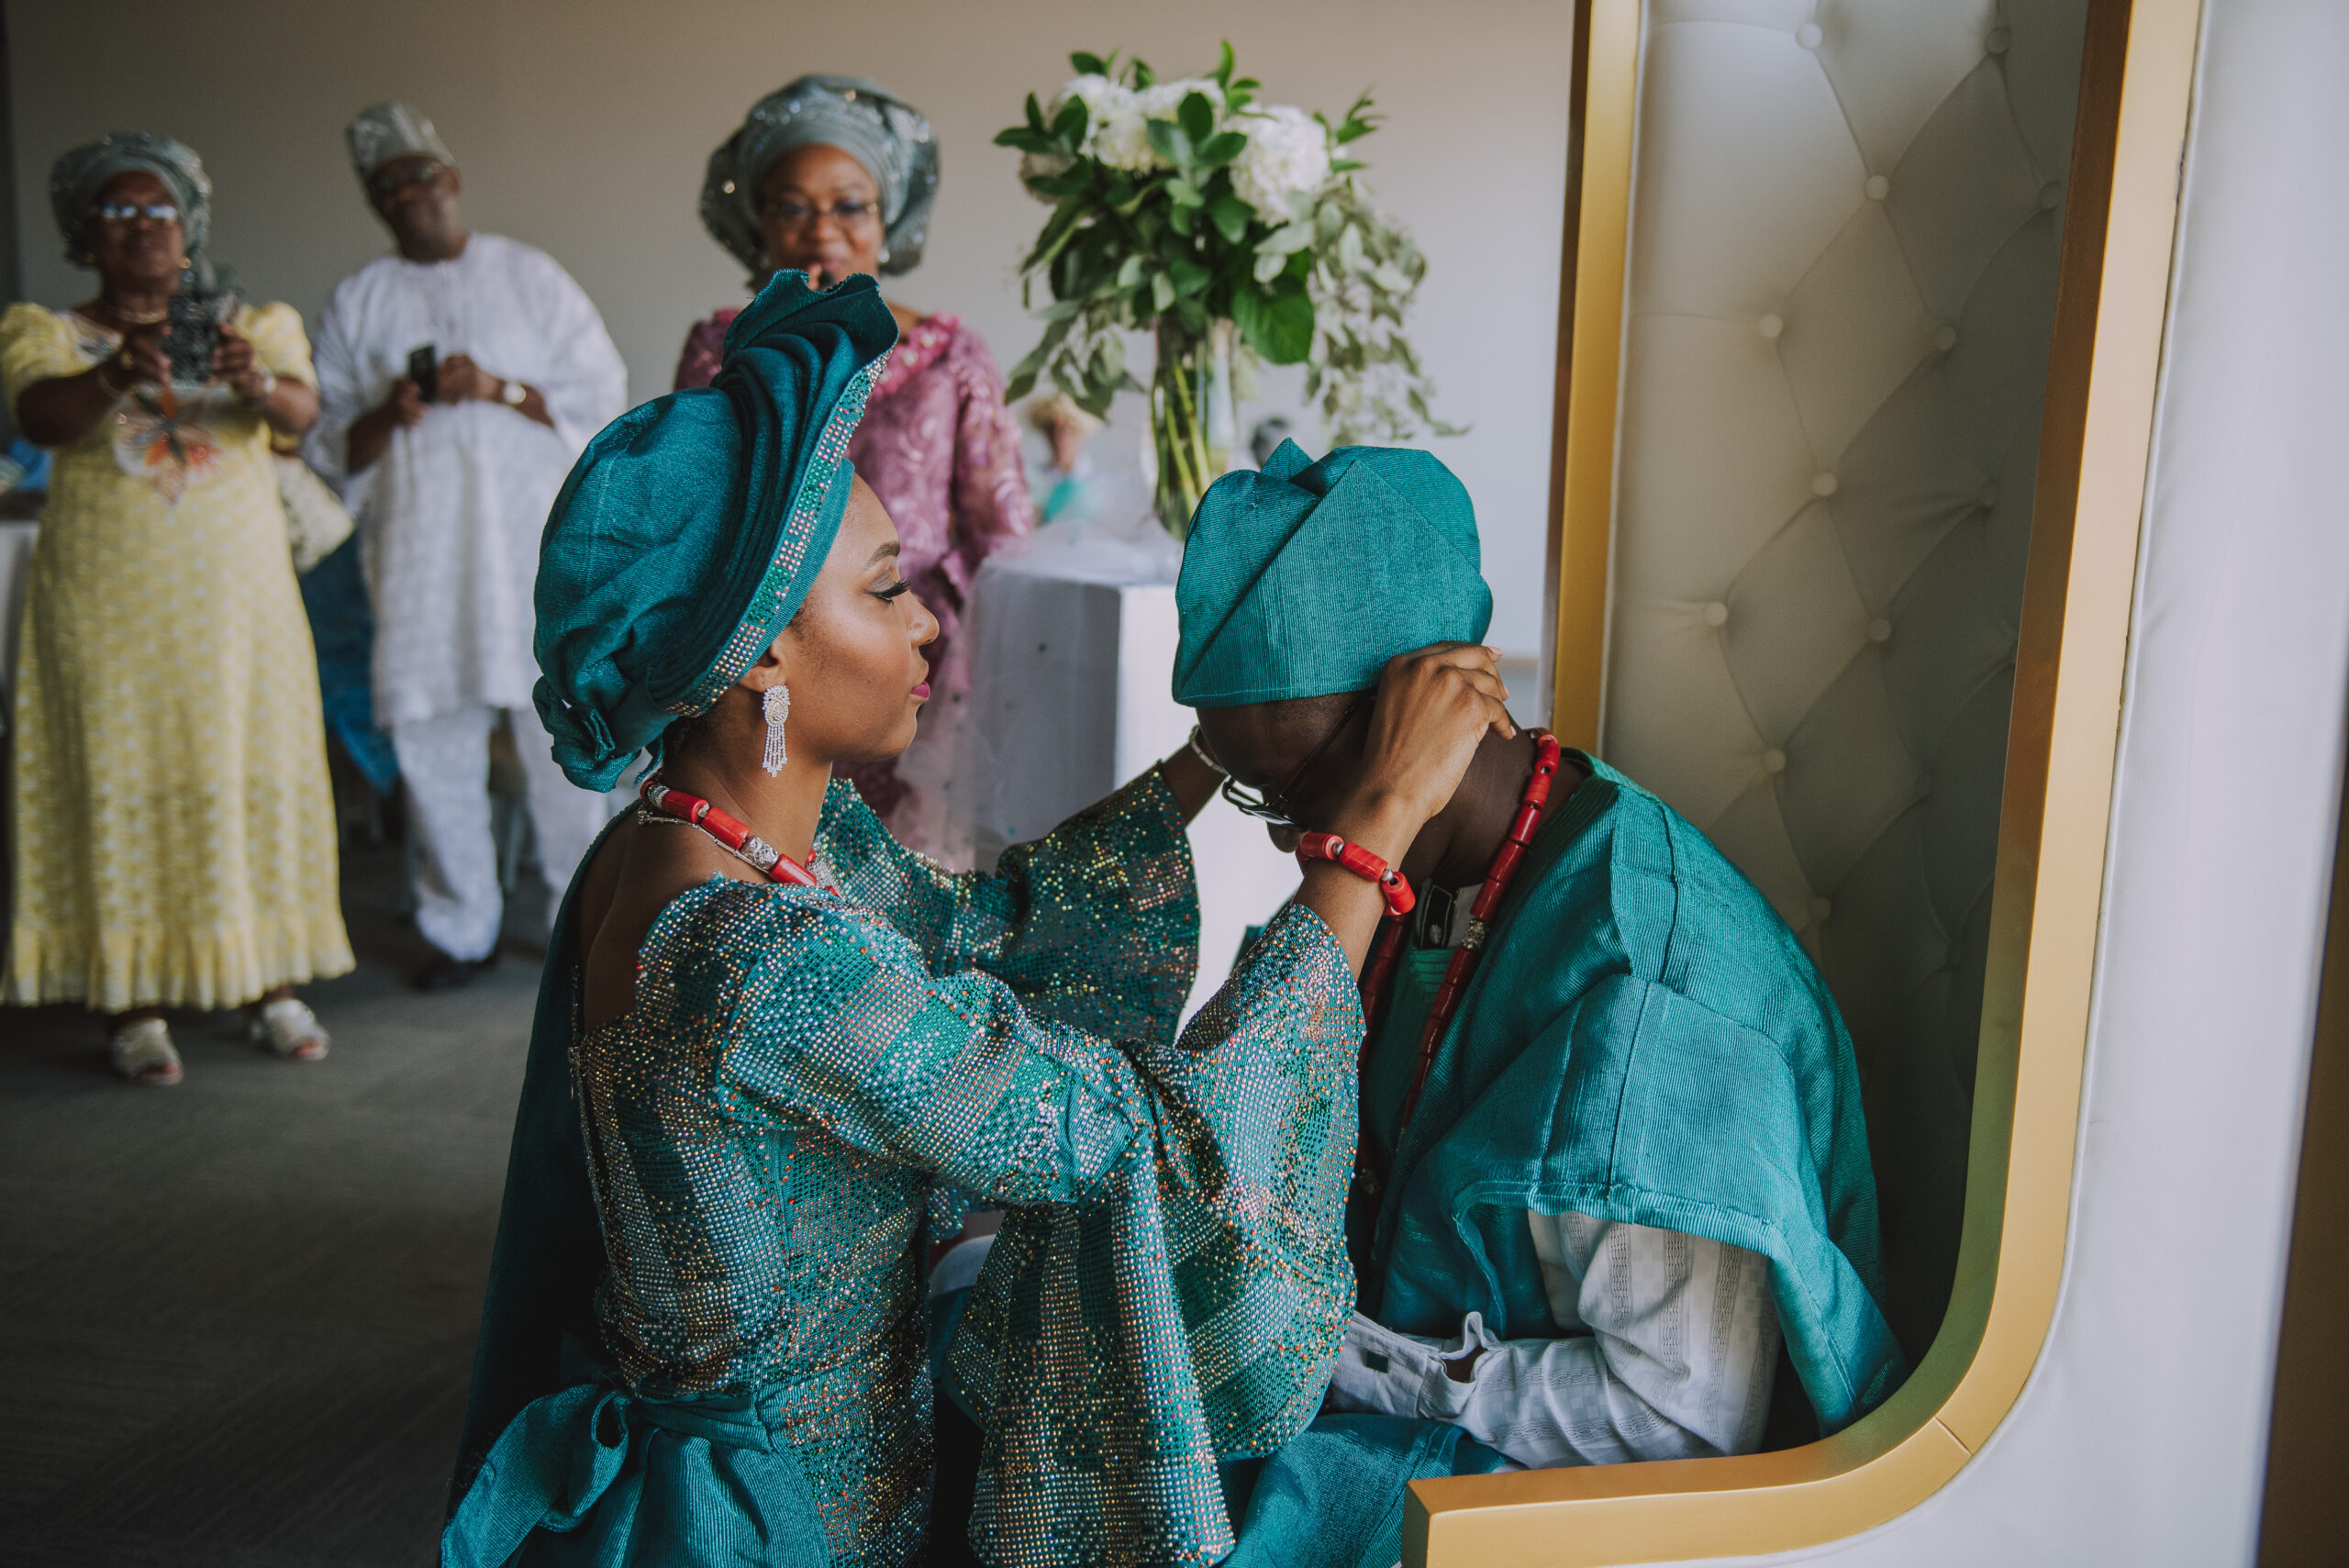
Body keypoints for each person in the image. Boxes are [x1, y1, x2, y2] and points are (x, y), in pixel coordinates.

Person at [440, 273, 1514, 1567]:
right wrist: (1367, 839)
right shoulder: (751, 960)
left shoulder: (702, 841)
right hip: (787, 1525)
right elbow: (1133, 1145)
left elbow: (978, 928)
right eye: (888, 590)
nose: (927, 624)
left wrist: (1211, 755)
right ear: (762, 653)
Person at [1174, 441, 1908, 1567]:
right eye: (1250, 792)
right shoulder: (1436, 872)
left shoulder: (1639, 1002)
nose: (1288, 838)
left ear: (1423, 716)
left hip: (1572, 1496)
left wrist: (1348, 1352)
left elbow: (1676, 1421)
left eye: (1300, 786)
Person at [1, 133, 350, 1084]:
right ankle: (131, 1000)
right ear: (84, 237)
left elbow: (301, 414)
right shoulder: (46, 330)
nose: (142, 228)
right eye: (118, 212)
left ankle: (268, 982)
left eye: (159, 211)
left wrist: (252, 379)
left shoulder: (258, 322)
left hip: (239, 612)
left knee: (249, 773)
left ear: (189, 233)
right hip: (104, 611)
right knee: (117, 778)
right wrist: (120, 368)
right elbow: (39, 418)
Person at [307, 102, 629, 990]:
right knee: (430, 738)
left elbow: (602, 395)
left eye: (420, 176)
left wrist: (503, 387)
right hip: (418, 560)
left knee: (560, 739)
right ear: (376, 202)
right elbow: (325, 441)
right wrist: (388, 412)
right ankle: (461, 928)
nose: (409, 195)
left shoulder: (532, 279)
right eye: (388, 186)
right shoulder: (357, 300)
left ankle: (584, 920)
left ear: (450, 180)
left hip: (528, 552)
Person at [676, 76, 1032, 860]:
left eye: (849, 205)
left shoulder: (952, 358)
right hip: (767, 657)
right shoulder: (721, 351)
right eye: (792, 207)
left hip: (916, 663)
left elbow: (1001, 538)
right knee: (771, 863)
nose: (822, 231)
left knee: (903, 878)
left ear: (887, 219)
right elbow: (694, 520)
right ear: (758, 223)